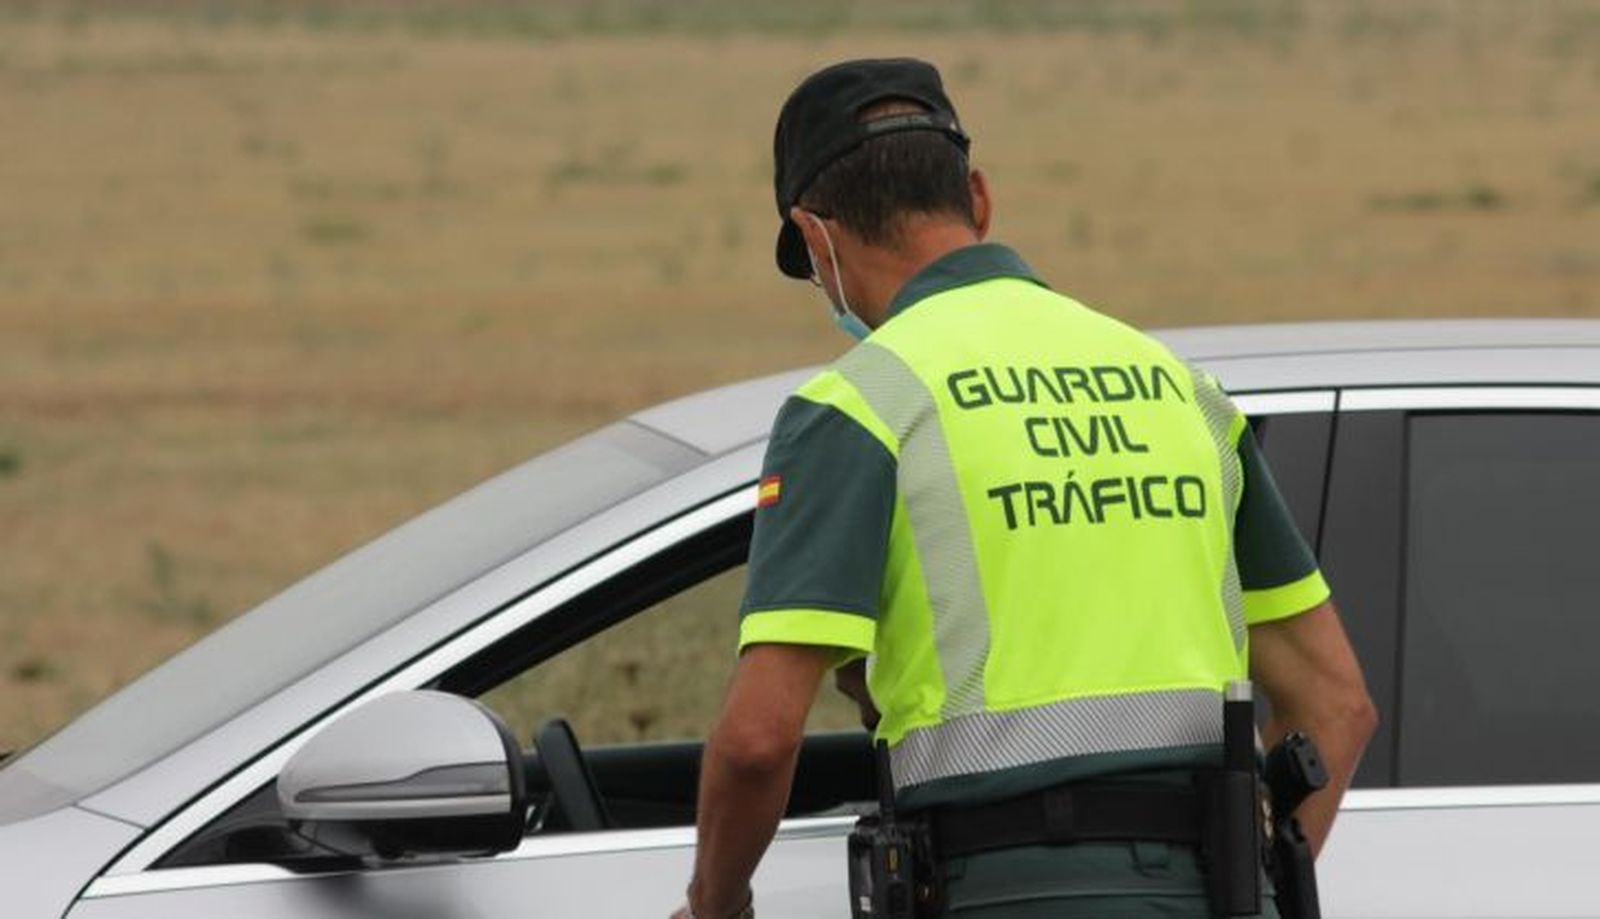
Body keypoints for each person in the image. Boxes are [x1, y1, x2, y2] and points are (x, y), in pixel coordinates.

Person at [672, 57, 1376, 919]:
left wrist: (714, 904)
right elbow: (1336, 704)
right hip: (1215, 885)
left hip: (999, 888)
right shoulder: (1180, 388)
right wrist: (1253, 882)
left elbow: (756, 739)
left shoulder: (862, 405)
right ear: (977, 196)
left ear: (816, 240)